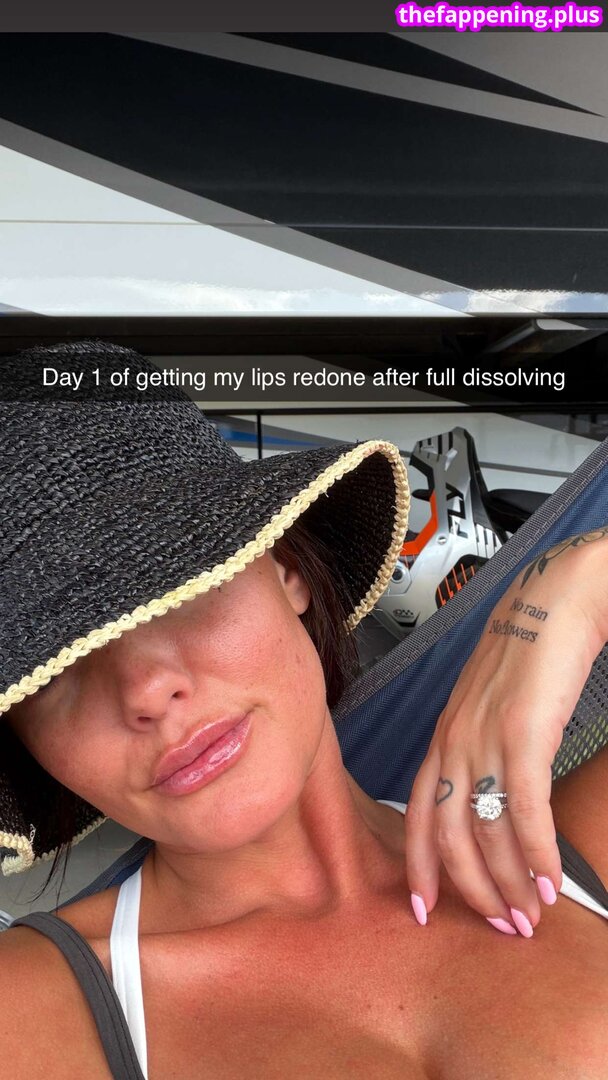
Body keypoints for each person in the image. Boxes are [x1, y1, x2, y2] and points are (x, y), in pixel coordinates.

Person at [0, 341, 606, 1080]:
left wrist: (574, 591)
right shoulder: (30, 1012)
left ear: (287, 569)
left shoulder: (567, 848)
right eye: (56, 670)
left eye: (182, 591)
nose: (148, 693)